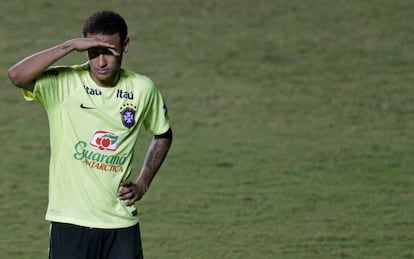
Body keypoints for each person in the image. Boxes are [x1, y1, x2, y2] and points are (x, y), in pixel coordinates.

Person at [8, 10, 172, 259]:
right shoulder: (65, 84)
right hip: (70, 221)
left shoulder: (142, 89)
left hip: (120, 223)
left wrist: (143, 182)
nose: (101, 62)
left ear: (125, 45)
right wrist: (70, 45)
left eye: (109, 51)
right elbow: (16, 76)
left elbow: (163, 133)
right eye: (94, 52)